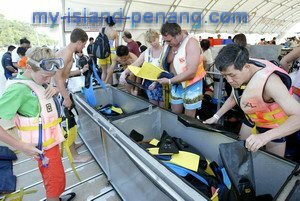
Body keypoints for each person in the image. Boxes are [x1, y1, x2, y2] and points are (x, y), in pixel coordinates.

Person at [0, 47, 76, 201]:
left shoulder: (33, 79)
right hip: (43, 149)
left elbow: (40, 91)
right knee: (55, 182)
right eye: (45, 77)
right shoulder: (18, 90)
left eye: (51, 77)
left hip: (50, 143)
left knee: (55, 179)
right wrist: (21, 146)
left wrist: (52, 88)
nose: (48, 80)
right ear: (29, 67)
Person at [204, 44, 300, 157]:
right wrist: (215, 117)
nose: (229, 80)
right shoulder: (237, 68)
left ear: (247, 67)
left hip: (274, 124)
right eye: (225, 76)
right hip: (253, 116)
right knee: (241, 150)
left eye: (231, 75)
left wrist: (265, 137)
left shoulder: (271, 83)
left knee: (273, 163)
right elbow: (233, 97)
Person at [55, 28, 91, 163]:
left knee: (72, 121)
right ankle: (74, 156)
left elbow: (65, 74)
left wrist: (80, 71)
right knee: (67, 123)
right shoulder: (67, 55)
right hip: (59, 92)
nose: (83, 48)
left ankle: (73, 145)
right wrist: (66, 98)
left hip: (62, 89)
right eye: (83, 45)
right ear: (79, 42)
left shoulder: (66, 51)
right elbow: (58, 78)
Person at [157, 22, 206, 117]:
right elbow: (167, 61)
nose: (167, 43)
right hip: (176, 84)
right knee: (175, 113)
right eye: (165, 41)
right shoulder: (171, 44)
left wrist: (170, 81)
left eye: (169, 40)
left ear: (178, 34)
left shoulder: (191, 42)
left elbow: (191, 72)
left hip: (191, 84)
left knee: (189, 117)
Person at [120, 29, 164, 106]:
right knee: (153, 105)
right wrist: (124, 72)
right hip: (149, 83)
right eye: (150, 42)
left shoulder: (165, 50)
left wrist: (156, 81)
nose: (153, 43)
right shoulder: (146, 53)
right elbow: (136, 63)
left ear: (158, 37)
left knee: (163, 106)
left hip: (163, 83)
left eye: (154, 40)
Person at [98, 16, 119, 83]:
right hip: (111, 51)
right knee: (110, 71)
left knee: (104, 71)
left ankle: (103, 87)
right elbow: (116, 46)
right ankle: (109, 87)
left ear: (106, 22)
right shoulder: (115, 32)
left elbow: (99, 41)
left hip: (103, 51)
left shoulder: (101, 30)